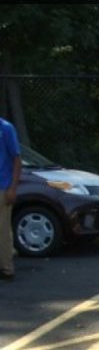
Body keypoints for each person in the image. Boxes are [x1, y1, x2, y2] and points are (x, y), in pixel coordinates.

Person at [0, 117, 21, 281]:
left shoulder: (6, 128)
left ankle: (6, 269)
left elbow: (16, 159)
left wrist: (12, 188)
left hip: (2, 187)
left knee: (3, 230)